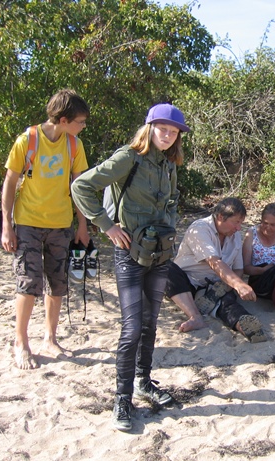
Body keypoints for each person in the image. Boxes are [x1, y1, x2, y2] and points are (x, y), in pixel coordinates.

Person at [71, 103, 189, 431]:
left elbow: (172, 200)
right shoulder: (128, 157)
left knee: (151, 323)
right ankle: (122, 398)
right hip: (129, 254)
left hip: (160, 253)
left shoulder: (169, 163)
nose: (167, 135)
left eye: (173, 131)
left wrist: (170, 227)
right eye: (162, 128)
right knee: (132, 326)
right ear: (149, 127)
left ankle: (143, 381)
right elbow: (81, 187)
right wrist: (107, 226)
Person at [0, 89, 90, 370]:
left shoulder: (74, 145)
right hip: (27, 222)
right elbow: (10, 183)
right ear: (63, 120)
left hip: (61, 224)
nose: (83, 126)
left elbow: (80, 187)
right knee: (28, 283)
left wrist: (83, 225)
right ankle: (21, 342)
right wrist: (7, 225)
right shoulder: (28, 140)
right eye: (80, 121)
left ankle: (50, 338)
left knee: (57, 283)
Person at [171, 197, 268, 343]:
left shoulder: (234, 236)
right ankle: (195, 316)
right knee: (166, 269)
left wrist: (229, 285)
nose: (238, 228)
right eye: (236, 222)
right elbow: (214, 262)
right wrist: (239, 284)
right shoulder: (200, 229)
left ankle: (246, 326)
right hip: (187, 282)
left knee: (227, 303)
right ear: (221, 217)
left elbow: (238, 269)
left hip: (216, 284)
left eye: (240, 223)